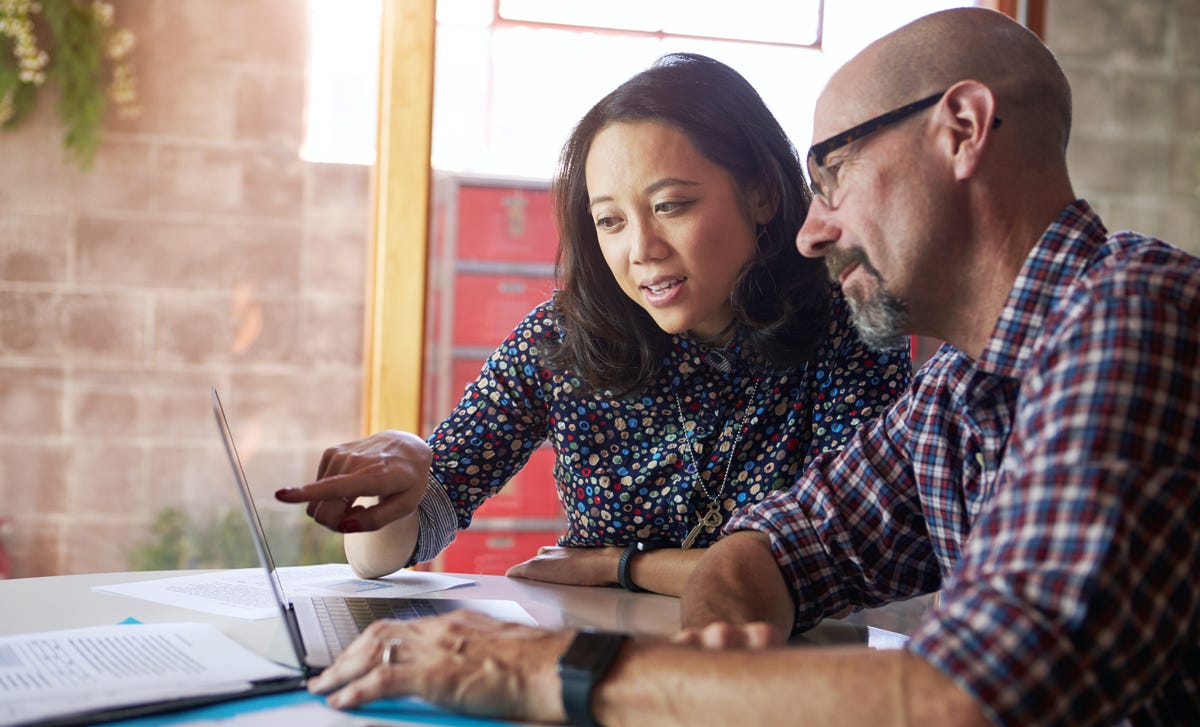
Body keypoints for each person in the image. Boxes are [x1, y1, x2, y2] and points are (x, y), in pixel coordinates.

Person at [301, 8, 1200, 726]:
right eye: (610, 219)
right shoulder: (956, 391)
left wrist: (552, 669)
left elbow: (970, 696)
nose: (816, 229)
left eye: (835, 173)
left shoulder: (1131, 314)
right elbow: (774, 547)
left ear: (962, 130)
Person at [276, 53, 910, 597]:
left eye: (670, 206)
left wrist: (622, 567)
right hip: (598, 670)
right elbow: (387, 554)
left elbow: (842, 560)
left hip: (781, 676)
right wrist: (407, 469)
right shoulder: (564, 337)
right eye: (611, 221)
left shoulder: (847, 327)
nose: (642, 249)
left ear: (762, 194)